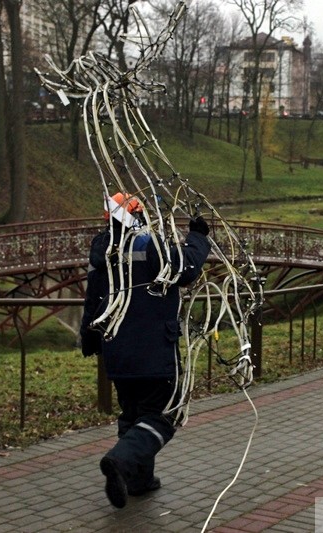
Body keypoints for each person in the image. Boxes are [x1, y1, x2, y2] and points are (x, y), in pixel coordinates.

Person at [80, 192, 211, 509]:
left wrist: (91, 340)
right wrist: (198, 236)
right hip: (154, 351)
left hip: (118, 353)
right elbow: (185, 267)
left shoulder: (104, 252)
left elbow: (94, 301)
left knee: (134, 415)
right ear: (139, 216)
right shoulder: (149, 245)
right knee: (165, 416)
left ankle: (138, 481)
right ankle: (120, 461)